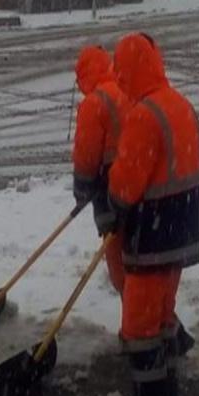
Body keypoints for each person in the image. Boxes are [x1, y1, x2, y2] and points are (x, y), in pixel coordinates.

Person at [106, 32, 199, 396]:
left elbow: (126, 185)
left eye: (121, 69)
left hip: (152, 236)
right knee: (162, 324)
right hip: (180, 234)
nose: (119, 78)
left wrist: (111, 208)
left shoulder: (144, 116)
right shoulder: (180, 105)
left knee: (139, 330)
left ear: (131, 68)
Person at [71, 45, 129, 290]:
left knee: (117, 256)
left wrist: (82, 190)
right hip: (138, 186)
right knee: (139, 257)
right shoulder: (126, 91)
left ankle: (135, 320)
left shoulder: (94, 103)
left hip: (108, 188)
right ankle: (149, 314)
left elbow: (86, 157)